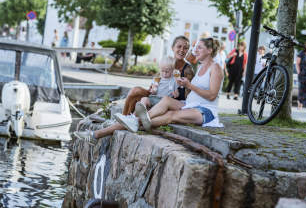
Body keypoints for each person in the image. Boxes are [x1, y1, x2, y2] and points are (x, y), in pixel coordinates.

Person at [73, 37, 223, 144]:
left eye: (199, 47)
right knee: (163, 100)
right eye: (195, 46)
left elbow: (211, 96)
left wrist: (188, 86)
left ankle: (100, 133)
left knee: (171, 115)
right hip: (189, 105)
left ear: (209, 50)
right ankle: (130, 122)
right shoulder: (201, 67)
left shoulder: (215, 68)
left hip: (205, 111)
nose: (195, 49)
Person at [120, 36, 194, 115]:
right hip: (157, 95)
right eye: (179, 46)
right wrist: (152, 87)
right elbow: (157, 81)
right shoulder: (166, 62)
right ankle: (125, 117)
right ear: (172, 48)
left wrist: (176, 91)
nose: (182, 50)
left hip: (171, 100)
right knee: (135, 91)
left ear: (188, 51)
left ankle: (130, 118)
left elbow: (188, 95)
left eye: (185, 48)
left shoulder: (188, 69)